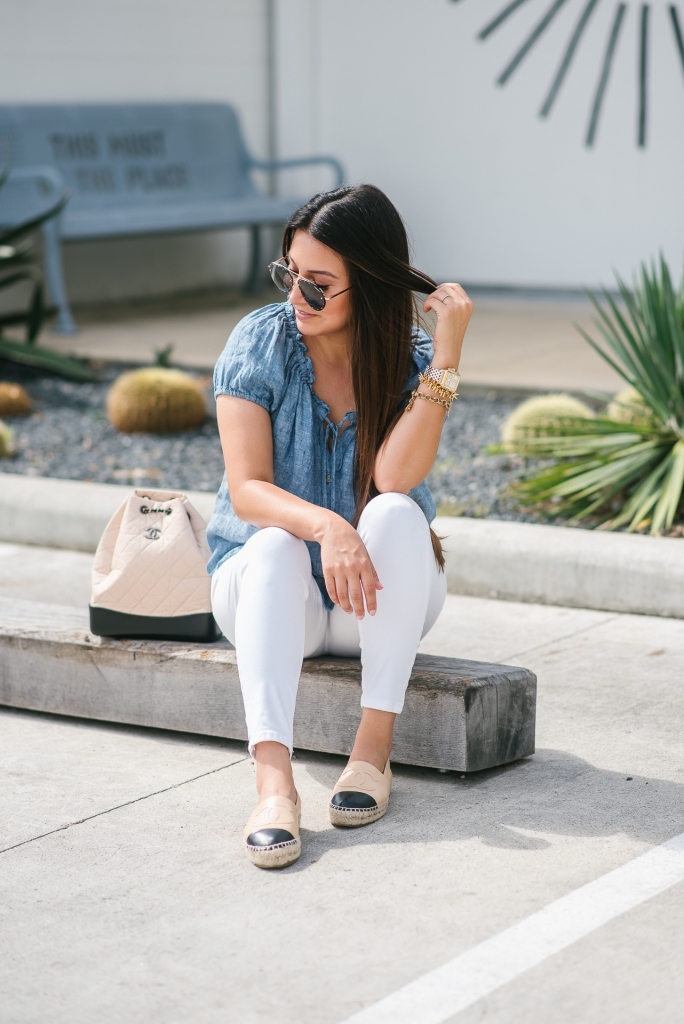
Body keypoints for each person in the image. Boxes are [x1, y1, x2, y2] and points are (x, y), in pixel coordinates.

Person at [207, 184, 473, 868]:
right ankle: (274, 786)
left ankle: (372, 754)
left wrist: (445, 360)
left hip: (374, 600)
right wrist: (328, 527)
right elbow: (248, 490)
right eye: (290, 274)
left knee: (394, 512)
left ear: (371, 284)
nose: (298, 296)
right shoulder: (261, 341)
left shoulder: (407, 356)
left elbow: (393, 478)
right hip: (273, 596)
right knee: (274, 543)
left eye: (319, 285)